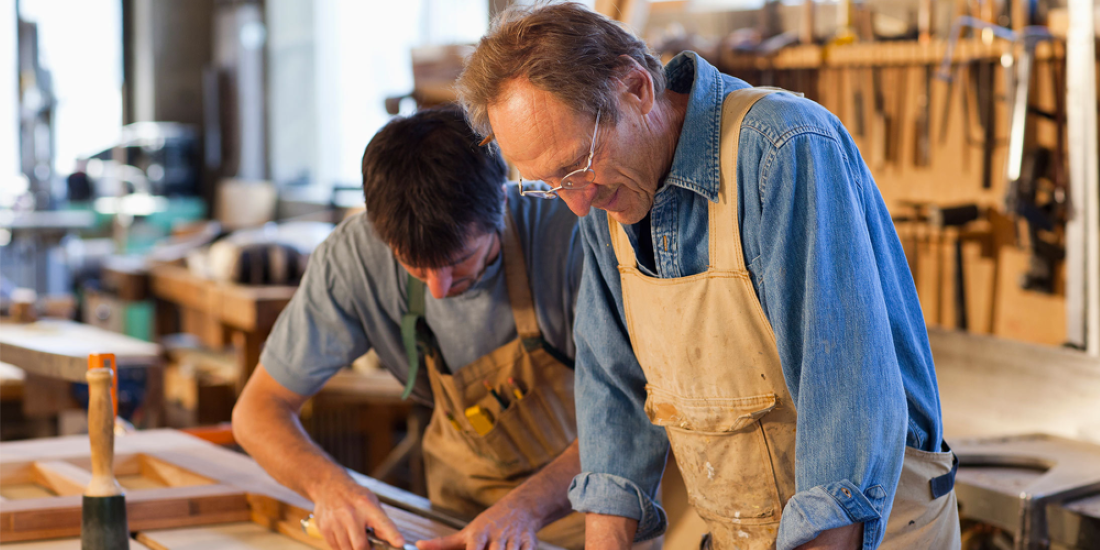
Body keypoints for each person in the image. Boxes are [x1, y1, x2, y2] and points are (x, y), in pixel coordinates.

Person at [456, 3, 961, 550]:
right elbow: (613, 398)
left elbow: (843, 409)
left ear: (636, 89)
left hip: (869, 534)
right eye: (550, 184)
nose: (577, 205)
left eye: (577, 166)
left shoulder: (783, 151)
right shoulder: (606, 197)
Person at [232, 106, 587, 550]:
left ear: (501, 201)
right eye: (414, 266)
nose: (437, 290)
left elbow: (634, 417)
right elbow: (257, 411)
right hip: (459, 515)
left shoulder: (572, 236)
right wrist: (328, 486)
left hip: (586, 510)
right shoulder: (354, 258)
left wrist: (524, 510)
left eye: (458, 263)